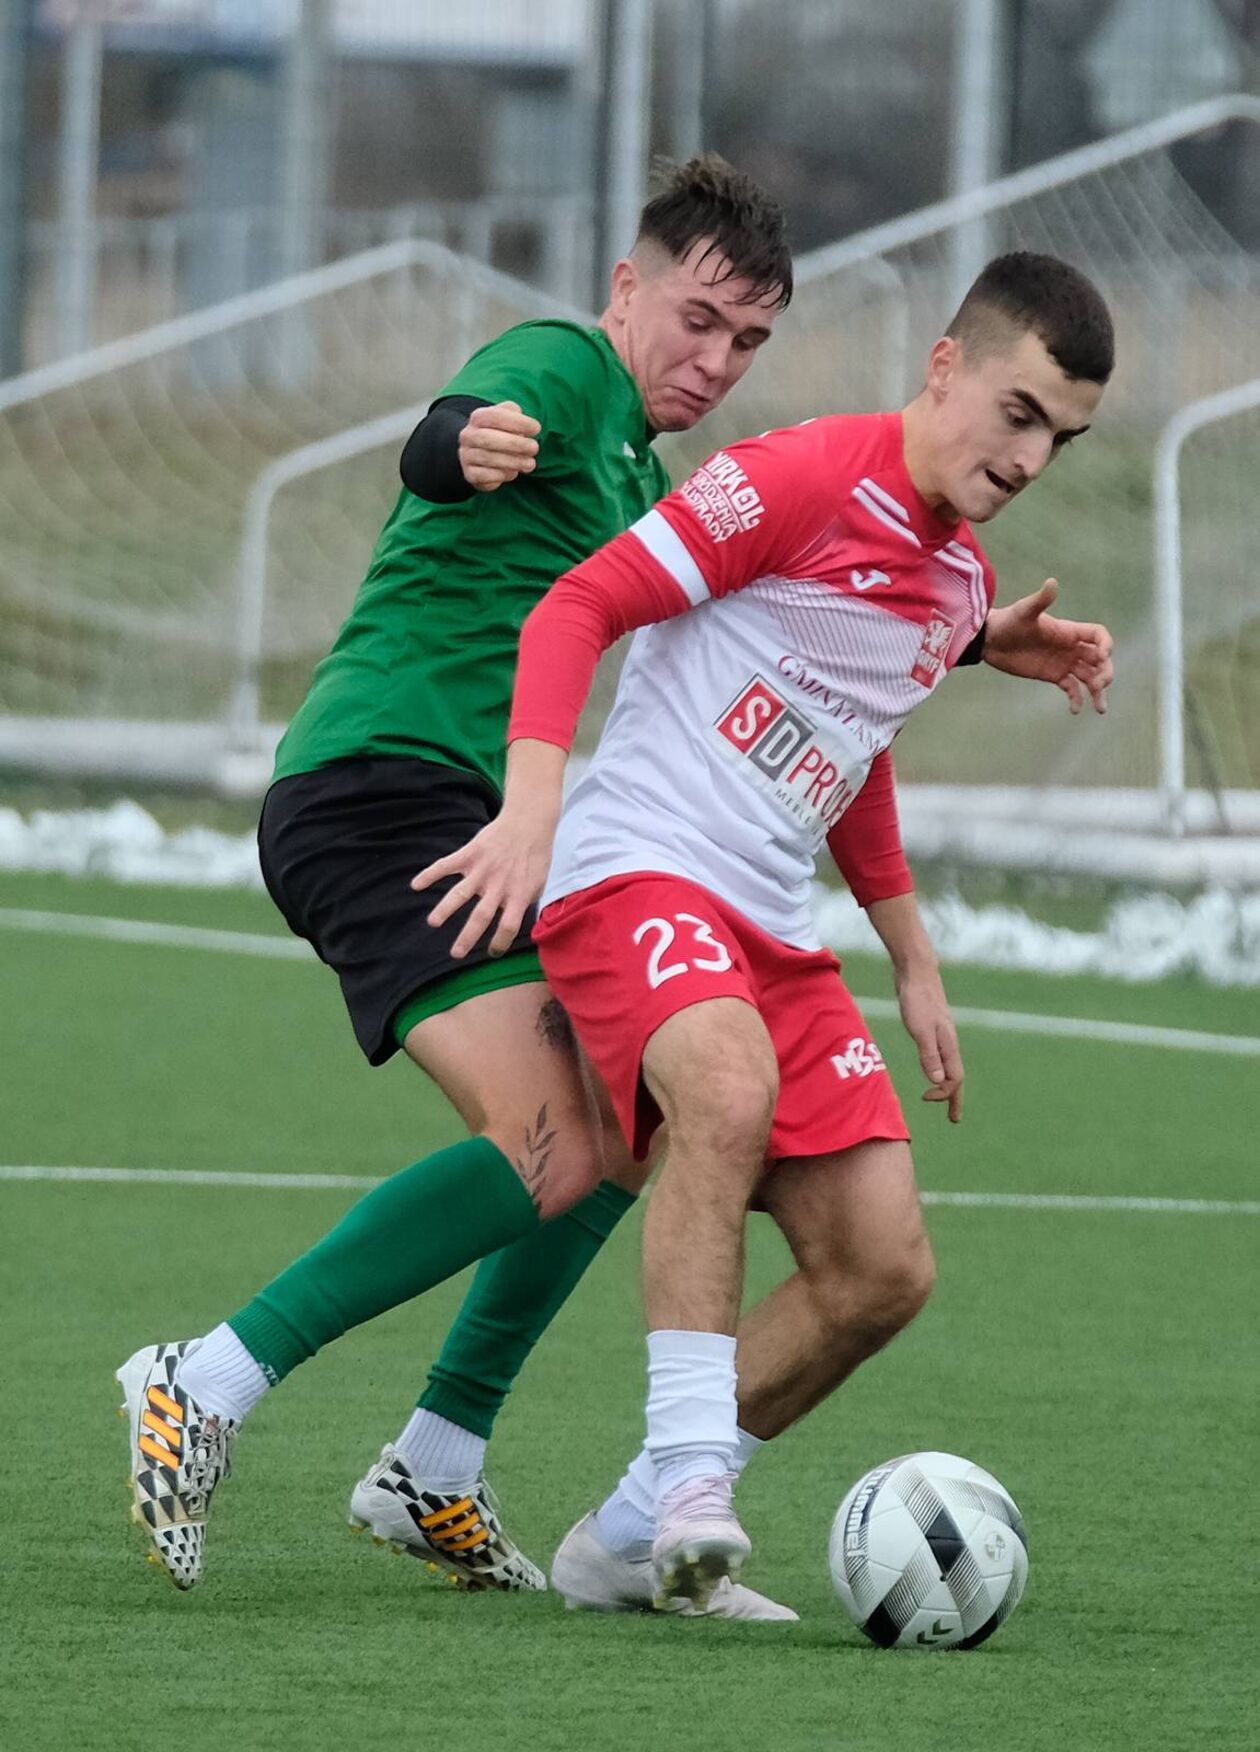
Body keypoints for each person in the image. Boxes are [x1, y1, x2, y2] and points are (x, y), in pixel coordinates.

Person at [116, 155, 796, 1608]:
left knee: (636, 1116)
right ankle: (205, 1378)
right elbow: (449, 433)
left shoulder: (642, 475)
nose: (716, 360)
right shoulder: (559, 367)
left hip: (456, 811)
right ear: (627, 288)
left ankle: (438, 1455)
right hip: (375, 791)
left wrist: (973, 631)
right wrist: (465, 439)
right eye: (697, 319)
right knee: (558, 1131)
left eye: (748, 342)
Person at [416, 251, 1116, 1613]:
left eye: (1063, 437)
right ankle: (690, 1477)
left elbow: (853, 746)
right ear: (946, 368)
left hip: (768, 929)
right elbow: (581, 603)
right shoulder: (795, 475)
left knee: (881, 1268)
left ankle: (625, 1540)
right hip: (637, 875)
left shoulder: (960, 584)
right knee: (722, 1091)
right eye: (1019, 412)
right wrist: (536, 805)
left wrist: (911, 961)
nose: (1034, 455)